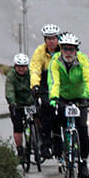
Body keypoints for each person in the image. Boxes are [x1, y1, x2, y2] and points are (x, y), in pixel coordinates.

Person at [47, 33, 89, 178]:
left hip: (79, 96)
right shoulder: (55, 61)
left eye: (71, 49)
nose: (68, 52)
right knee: (55, 118)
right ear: (61, 49)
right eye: (65, 49)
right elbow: (54, 81)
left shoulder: (83, 60)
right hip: (62, 96)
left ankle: (83, 163)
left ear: (76, 50)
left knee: (82, 128)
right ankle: (58, 146)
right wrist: (54, 98)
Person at [30, 24, 62, 155]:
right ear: (45, 40)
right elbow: (35, 69)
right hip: (45, 84)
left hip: (60, 83)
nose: (51, 41)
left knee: (61, 110)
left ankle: (60, 140)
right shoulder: (40, 51)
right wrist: (35, 85)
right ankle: (46, 143)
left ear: (58, 39)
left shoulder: (63, 49)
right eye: (48, 39)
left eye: (53, 38)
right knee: (46, 108)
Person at [5, 53, 36, 162]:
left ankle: (39, 140)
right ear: (15, 66)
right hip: (17, 104)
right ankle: (20, 150)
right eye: (19, 66)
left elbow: (35, 85)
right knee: (18, 127)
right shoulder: (11, 76)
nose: (21, 69)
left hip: (30, 102)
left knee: (39, 117)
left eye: (24, 66)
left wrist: (35, 98)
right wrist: (12, 102)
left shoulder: (31, 74)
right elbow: (9, 90)